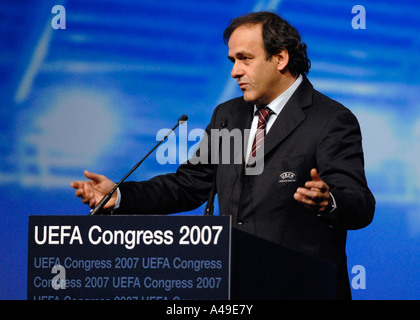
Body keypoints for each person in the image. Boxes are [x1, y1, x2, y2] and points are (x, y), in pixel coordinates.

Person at [71, 11, 375, 299]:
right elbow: (189, 185)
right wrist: (119, 195)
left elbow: (360, 203)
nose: (234, 71)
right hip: (234, 289)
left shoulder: (330, 119)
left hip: (300, 289)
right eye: (232, 60)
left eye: (245, 59)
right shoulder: (228, 115)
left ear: (280, 57)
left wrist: (329, 201)